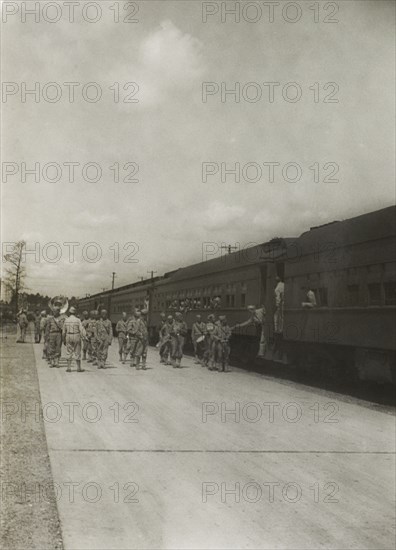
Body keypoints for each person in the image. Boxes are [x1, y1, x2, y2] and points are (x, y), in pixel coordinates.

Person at [62, 306, 86, 373]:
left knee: (69, 351)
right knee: (77, 352)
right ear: (75, 313)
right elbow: (81, 329)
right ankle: (78, 368)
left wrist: (63, 339)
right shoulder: (78, 320)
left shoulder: (66, 320)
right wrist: (84, 336)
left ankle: (68, 368)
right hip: (76, 335)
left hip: (68, 335)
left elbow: (63, 331)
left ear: (69, 313)